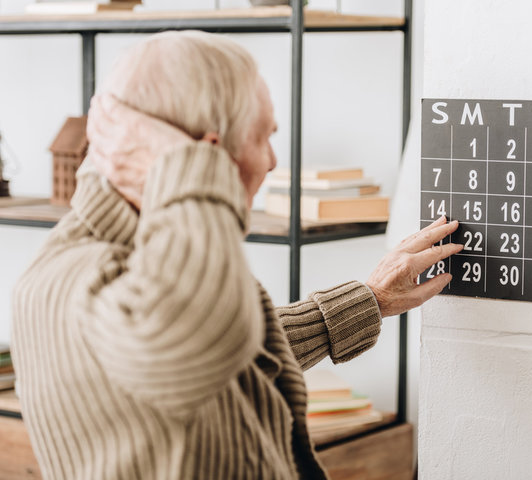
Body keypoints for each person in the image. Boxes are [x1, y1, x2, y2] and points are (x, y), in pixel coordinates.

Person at [11, 30, 461, 479]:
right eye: (262, 137)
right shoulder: (66, 280)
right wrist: (188, 164)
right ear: (202, 155)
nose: (270, 161)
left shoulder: (152, 258)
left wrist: (370, 299)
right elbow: (194, 343)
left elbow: (232, 353)